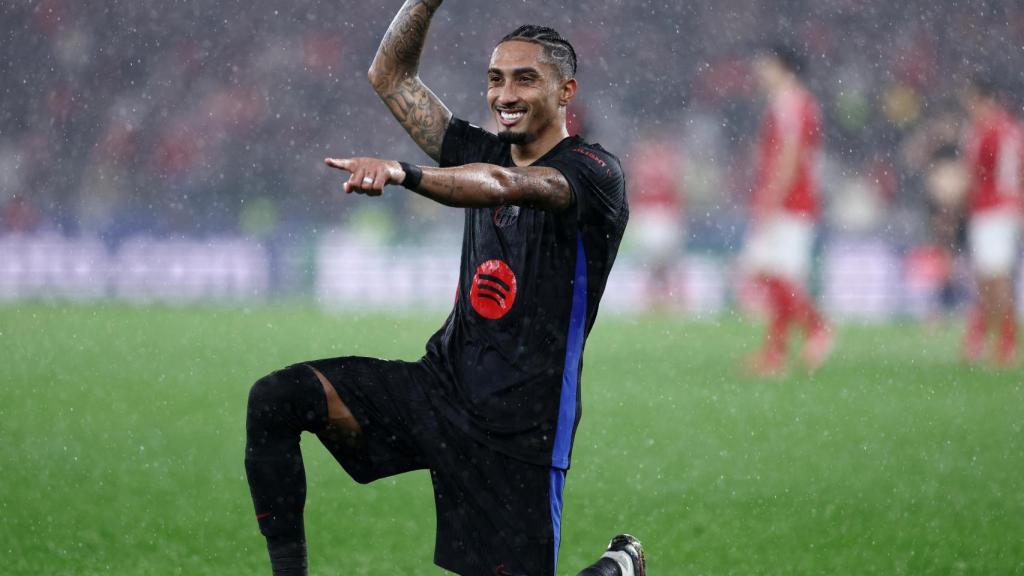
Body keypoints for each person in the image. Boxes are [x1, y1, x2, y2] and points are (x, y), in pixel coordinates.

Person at [243, 2, 642, 575]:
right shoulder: (483, 149)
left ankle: (615, 570)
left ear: (565, 91)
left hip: (520, 428)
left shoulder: (593, 173)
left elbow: (503, 184)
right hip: (438, 390)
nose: (505, 93)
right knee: (277, 398)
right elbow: (390, 77)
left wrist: (405, 172)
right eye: (495, 78)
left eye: (526, 79)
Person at [740, 43, 832, 376]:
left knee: (768, 270)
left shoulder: (791, 104)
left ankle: (817, 327)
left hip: (791, 203)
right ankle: (775, 355)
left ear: (781, 67)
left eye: (764, 65)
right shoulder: (796, 103)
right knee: (774, 272)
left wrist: (771, 197)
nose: (759, 72)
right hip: (795, 201)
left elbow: (791, 154)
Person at [960, 76, 1022, 367]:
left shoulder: (987, 131)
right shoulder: (1010, 129)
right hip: (1002, 209)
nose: (970, 108)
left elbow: (975, 175)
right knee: (991, 277)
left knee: (994, 279)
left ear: (984, 100)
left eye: (973, 102)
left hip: (993, 209)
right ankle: (985, 337)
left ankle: (1001, 340)